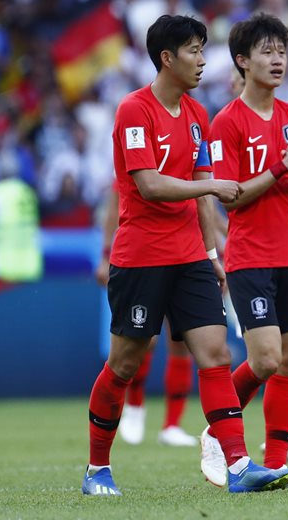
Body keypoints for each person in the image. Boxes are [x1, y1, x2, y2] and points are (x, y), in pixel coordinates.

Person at [82, 14, 288, 496]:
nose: (203, 60)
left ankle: (238, 466)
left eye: (203, 49)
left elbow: (202, 195)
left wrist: (211, 251)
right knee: (124, 365)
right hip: (141, 257)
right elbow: (150, 185)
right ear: (167, 58)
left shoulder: (198, 115)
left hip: (190, 259)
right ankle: (97, 468)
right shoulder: (133, 111)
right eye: (195, 51)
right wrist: (214, 184)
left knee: (216, 354)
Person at [200, 13, 288, 489]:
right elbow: (228, 194)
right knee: (267, 358)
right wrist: (280, 167)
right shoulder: (226, 122)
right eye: (267, 52)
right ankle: (216, 431)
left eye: (281, 51)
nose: (277, 60)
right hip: (250, 256)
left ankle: (277, 466)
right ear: (242, 61)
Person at [95, 191, 197, 448]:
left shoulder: (193, 154)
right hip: (146, 254)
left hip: (184, 252)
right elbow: (114, 203)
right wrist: (106, 254)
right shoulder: (138, 158)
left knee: (182, 339)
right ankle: (135, 407)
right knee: (142, 339)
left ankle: (172, 425)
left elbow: (202, 204)